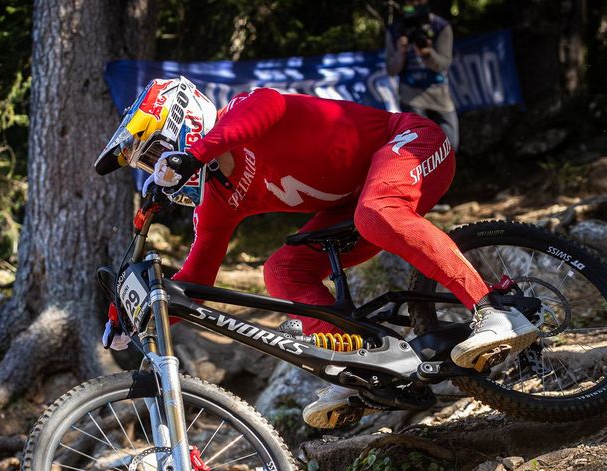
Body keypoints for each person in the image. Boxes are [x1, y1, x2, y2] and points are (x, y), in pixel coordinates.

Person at [95, 77, 535, 429]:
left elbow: (271, 106)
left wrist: (196, 153)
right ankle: (358, 364)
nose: (156, 169)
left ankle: (495, 308)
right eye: (148, 165)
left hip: (411, 141)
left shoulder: (244, 109)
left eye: (155, 153)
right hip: (356, 203)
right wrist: (133, 313)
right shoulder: (218, 199)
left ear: (183, 120)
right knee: (282, 269)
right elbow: (196, 282)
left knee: (376, 211)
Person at [385, 0, 458, 151]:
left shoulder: (440, 26)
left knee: (451, 146)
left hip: (440, 96)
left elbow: (444, 64)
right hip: (410, 98)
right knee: (420, 149)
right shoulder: (395, 30)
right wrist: (400, 53)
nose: (415, 3)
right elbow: (391, 70)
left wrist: (427, 54)